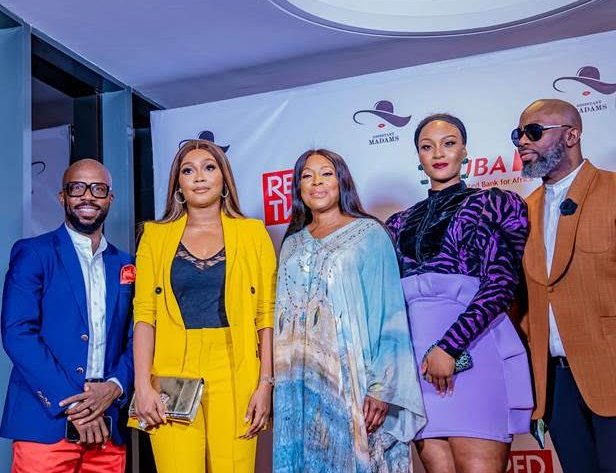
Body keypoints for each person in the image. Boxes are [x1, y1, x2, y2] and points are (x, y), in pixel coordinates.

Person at [386, 114, 533, 473]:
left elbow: (501, 284)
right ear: (418, 156)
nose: (438, 153)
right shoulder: (397, 224)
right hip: (418, 366)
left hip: (475, 351)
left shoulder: (495, 204)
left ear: (465, 150)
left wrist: (449, 347)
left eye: (449, 143)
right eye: (427, 146)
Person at [273, 149, 426, 473]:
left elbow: (389, 314)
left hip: (353, 382)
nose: (317, 182)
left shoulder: (369, 235)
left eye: (326, 173)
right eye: (307, 175)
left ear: (341, 181)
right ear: (298, 187)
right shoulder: (291, 244)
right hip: (297, 388)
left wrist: (382, 388)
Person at [130, 139, 276, 473]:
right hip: (170, 369)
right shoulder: (154, 236)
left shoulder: (253, 233)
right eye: (188, 170)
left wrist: (265, 384)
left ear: (224, 178)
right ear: (177, 184)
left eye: (209, 167)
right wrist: (142, 385)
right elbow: (145, 316)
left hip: (236, 368)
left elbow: (266, 316)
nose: (199, 177)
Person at [1, 159, 134, 472]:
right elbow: (17, 332)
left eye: (98, 189)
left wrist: (115, 386)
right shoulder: (34, 253)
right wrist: (75, 403)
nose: (87, 196)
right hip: (45, 424)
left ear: (110, 198)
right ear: (63, 196)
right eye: (77, 188)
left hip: (107, 424)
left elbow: (136, 337)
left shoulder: (126, 264)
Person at [515, 99, 616, 473]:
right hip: (555, 386)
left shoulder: (612, 191)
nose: (523, 142)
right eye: (518, 134)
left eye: (534, 131)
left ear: (572, 135)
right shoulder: (523, 210)